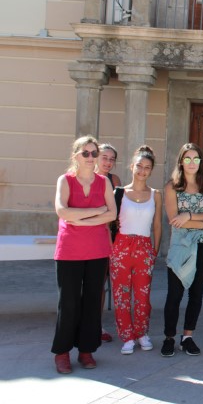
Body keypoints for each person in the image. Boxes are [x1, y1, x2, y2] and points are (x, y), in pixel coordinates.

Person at [52, 135, 117, 374]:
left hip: (98, 250)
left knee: (91, 302)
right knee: (68, 303)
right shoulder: (65, 180)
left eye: (94, 153)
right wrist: (96, 212)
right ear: (76, 156)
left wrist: (81, 218)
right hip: (69, 251)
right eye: (86, 153)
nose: (91, 158)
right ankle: (62, 353)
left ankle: (86, 350)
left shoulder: (104, 182)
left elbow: (112, 214)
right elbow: (62, 211)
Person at [161, 143, 203, 357]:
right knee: (174, 295)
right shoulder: (172, 187)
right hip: (180, 248)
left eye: (196, 159)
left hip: (202, 246)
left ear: (201, 162)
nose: (192, 163)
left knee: (196, 294)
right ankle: (169, 337)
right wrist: (201, 222)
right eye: (187, 158)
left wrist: (189, 216)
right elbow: (174, 221)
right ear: (181, 161)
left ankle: (187, 337)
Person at [111, 145, 162, 355]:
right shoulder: (119, 193)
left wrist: (154, 251)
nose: (142, 170)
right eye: (139, 166)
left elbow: (157, 225)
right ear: (132, 166)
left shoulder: (155, 194)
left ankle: (141, 332)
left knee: (143, 295)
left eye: (147, 167)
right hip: (121, 247)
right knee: (122, 294)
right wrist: (111, 249)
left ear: (151, 170)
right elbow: (110, 223)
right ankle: (127, 336)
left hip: (144, 247)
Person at [97, 142, 121, 343]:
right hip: (90, 235)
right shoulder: (83, 179)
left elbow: (118, 212)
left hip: (111, 237)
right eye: (104, 157)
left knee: (101, 284)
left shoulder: (114, 180)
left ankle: (96, 325)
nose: (108, 162)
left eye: (112, 159)